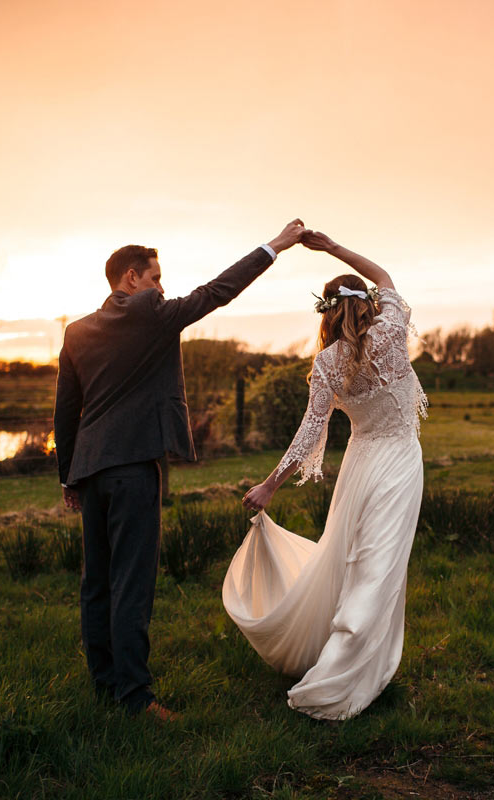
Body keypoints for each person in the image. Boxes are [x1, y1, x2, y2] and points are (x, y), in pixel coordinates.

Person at [54, 219, 306, 721]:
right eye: (155, 278)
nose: (162, 289)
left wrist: (69, 475)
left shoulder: (78, 331)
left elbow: (66, 410)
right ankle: (137, 697)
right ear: (131, 278)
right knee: (132, 582)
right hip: (132, 470)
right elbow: (217, 292)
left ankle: (105, 684)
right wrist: (274, 246)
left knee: (97, 583)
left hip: (92, 471)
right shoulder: (150, 315)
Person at [222, 230, 427, 720]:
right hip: (398, 462)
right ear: (367, 306)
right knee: (377, 566)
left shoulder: (326, 364)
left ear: (328, 313)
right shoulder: (392, 328)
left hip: (359, 466)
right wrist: (331, 246)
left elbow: (310, 431)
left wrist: (271, 484)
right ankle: (338, 678)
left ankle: (351, 659)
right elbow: (383, 276)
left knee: (356, 561)